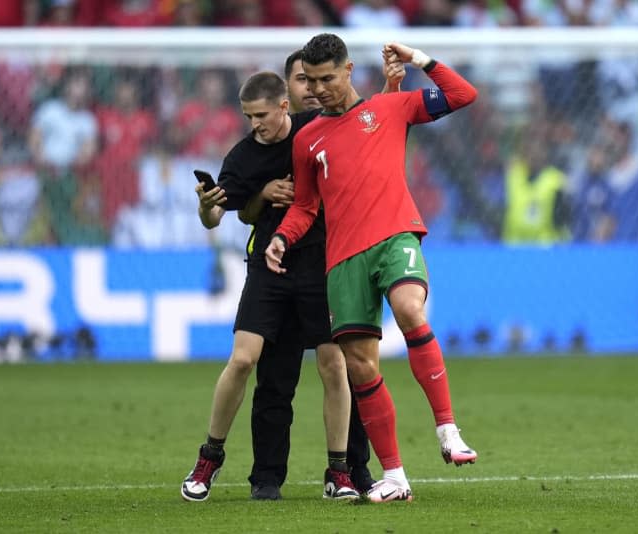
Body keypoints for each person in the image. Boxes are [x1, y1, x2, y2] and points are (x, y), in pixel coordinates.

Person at [181, 52, 404, 502]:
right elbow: (221, 214)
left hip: (325, 261)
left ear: (284, 106)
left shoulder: (316, 130)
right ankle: (213, 459)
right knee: (249, 362)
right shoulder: (242, 157)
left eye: (260, 115)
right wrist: (217, 203)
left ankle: (340, 470)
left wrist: (393, 87)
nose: (255, 124)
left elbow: (370, 127)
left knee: (335, 363)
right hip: (270, 263)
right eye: (248, 116)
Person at [265, 34, 479, 503]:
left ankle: (448, 429)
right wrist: (282, 236)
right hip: (342, 259)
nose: (317, 89)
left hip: (394, 235)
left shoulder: (390, 108)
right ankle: (396, 477)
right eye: (310, 80)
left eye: (326, 78)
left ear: (347, 70)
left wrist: (419, 58)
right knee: (361, 368)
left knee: (410, 310)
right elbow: (304, 206)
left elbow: (463, 94)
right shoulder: (305, 139)